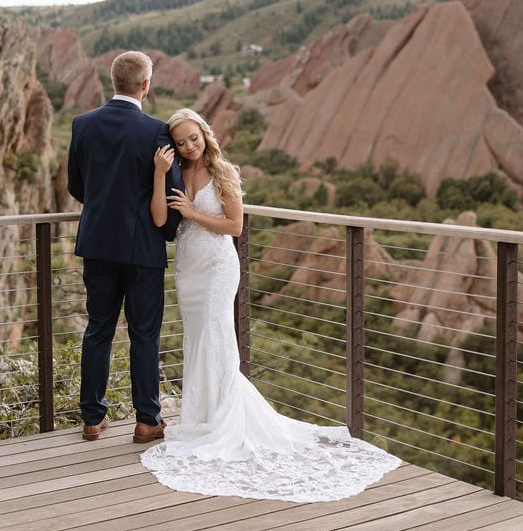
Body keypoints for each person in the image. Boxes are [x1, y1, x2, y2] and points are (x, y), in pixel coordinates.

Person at [141, 108, 401, 502]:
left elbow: (235, 226)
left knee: (217, 337)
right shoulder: (176, 171)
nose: (188, 146)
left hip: (216, 265)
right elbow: (161, 221)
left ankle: (225, 422)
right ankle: (202, 419)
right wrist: (160, 174)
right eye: (180, 142)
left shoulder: (223, 171)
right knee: (197, 338)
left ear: (205, 135)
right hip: (188, 267)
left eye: (193, 137)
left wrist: (192, 212)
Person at [67, 51, 183, 444]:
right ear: (146, 85)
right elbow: (171, 193)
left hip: (97, 243)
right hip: (142, 250)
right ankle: (147, 420)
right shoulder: (157, 131)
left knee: (98, 329)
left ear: (112, 81)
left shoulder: (83, 125)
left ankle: (92, 418)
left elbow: (76, 187)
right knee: (144, 334)